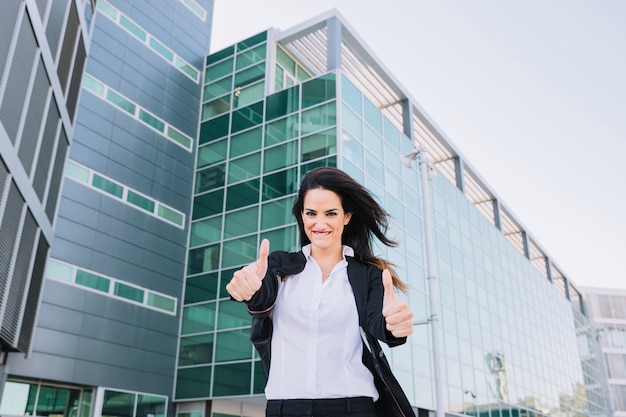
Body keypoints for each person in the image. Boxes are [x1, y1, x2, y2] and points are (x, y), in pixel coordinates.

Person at [226, 167, 414, 417]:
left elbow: (379, 325)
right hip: (286, 408)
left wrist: (394, 325)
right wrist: (246, 286)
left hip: (353, 407)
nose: (320, 223)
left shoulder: (367, 276)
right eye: (311, 213)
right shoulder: (280, 267)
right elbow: (261, 294)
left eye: (331, 213)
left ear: (346, 216)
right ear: (302, 216)